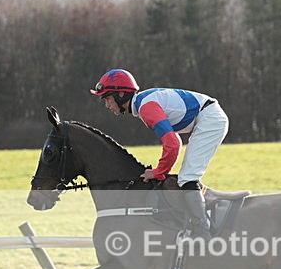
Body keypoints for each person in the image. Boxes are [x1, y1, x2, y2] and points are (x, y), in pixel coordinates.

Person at [90, 68, 229, 241]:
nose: (107, 105)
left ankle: (202, 233)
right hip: (207, 116)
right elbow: (174, 141)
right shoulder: (143, 103)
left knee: (188, 178)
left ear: (120, 94)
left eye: (107, 98)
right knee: (186, 177)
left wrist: (158, 172)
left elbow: (173, 144)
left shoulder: (146, 108)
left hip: (210, 118)